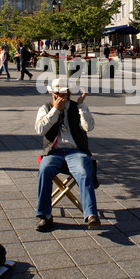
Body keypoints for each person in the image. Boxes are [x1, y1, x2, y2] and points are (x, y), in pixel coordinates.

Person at [35, 78, 100, 232]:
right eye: (56, 93)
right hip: (54, 152)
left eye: (63, 93)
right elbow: (39, 129)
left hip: (76, 151)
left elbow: (89, 127)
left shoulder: (77, 108)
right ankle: (45, 215)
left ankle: (91, 215)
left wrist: (82, 106)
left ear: (68, 93)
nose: (59, 97)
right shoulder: (45, 108)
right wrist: (55, 111)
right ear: (52, 93)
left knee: (84, 172)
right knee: (44, 170)